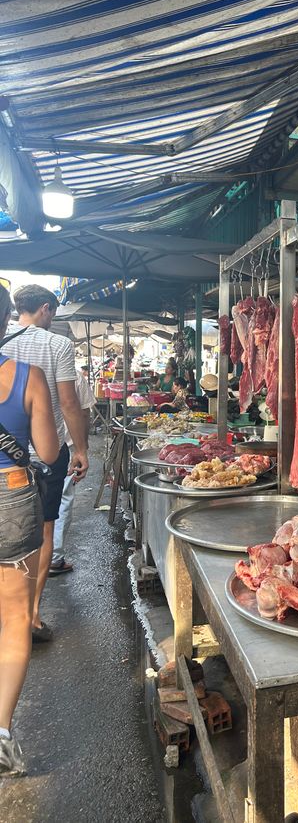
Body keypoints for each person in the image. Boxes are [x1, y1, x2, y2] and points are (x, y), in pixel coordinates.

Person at [3, 285, 89, 642]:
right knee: (43, 533)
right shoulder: (57, 345)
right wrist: (82, 448)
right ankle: (32, 615)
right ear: (45, 309)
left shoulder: (5, 341)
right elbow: (69, 402)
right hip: (40, 456)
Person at [0, 285, 59, 776]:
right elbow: (47, 453)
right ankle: (0, 736)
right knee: (15, 619)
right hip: (11, 497)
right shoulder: (28, 377)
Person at [50, 371, 96, 575]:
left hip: (27, 447)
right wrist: (81, 448)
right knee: (62, 501)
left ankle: (29, 558)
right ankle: (54, 558)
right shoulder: (76, 377)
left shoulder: (23, 368)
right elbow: (84, 412)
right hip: (66, 446)